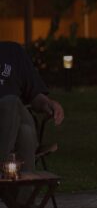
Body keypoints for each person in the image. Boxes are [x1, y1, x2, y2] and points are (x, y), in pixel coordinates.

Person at [1, 41, 65, 172]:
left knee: (11, 102)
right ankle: (22, 191)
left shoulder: (13, 52)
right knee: (26, 133)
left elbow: (35, 95)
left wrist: (48, 103)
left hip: (16, 116)